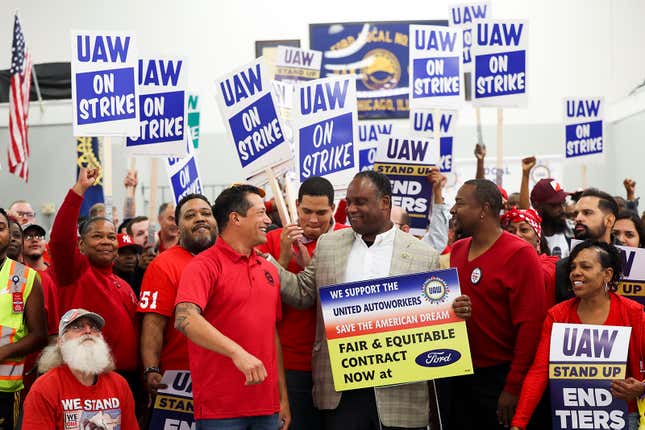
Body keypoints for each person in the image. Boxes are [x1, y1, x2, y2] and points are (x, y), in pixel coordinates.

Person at [271, 170, 472, 430]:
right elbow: (302, 293)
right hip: (341, 389)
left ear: (385, 203)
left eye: (360, 202)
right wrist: (264, 263)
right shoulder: (328, 245)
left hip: (401, 393)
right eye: (350, 202)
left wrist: (454, 310)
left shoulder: (423, 255)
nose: (351, 209)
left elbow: (436, 321)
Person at [174, 184, 290, 429]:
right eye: (260, 213)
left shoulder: (269, 269)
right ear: (235, 218)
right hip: (220, 409)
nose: (267, 220)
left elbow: (272, 335)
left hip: (267, 407)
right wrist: (238, 353)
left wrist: (282, 397)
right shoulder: (204, 266)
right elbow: (185, 319)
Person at [444, 179, 546, 429]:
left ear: (484, 209)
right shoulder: (456, 250)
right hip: (460, 373)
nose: (452, 210)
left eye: (460, 203)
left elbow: (531, 326)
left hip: (500, 377)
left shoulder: (520, 254)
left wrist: (513, 386)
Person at [511, 241, 645, 430]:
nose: (575, 272)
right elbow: (539, 372)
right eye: (573, 267)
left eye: (586, 266)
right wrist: (519, 424)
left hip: (624, 419)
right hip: (569, 419)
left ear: (607, 274)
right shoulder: (557, 315)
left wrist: (641, 388)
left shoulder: (634, 313)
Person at [257, 177, 346, 430]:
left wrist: (312, 269)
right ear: (296, 206)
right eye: (306, 211)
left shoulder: (347, 238)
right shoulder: (273, 239)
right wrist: (283, 259)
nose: (313, 219)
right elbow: (262, 301)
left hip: (337, 363)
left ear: (333, 208)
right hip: (292, 362)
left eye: (322, 212)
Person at [47, 168, 140, 393]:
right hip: (85, 378)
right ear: (81, 245)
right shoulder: (74, 271)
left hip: (127, 382)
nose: (106, 241)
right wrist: (79, 191)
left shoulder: (124, 285)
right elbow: (60, 240)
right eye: (97, 236)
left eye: (110, 237)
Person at [139, 194, 217, 396]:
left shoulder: (231, 258)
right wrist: (151, 368)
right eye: (190, 215)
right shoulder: (162, 265)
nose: (200, 218)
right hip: (180, 380)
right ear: (178, 227)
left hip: (226, 374)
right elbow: (154, 323)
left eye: (206, 213)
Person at [22, 308, 138, 429]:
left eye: (94, 327)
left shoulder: (119, 384)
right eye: (77, 327)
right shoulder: (44, 388)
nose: (88, 331)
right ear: (61, 342)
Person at [0, 208, 47, 429]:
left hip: (5, 389)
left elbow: (39, 336)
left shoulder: (27, 277)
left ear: (9, 235)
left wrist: (3, 352)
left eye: (1, 228)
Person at [554, 188, 619, 303]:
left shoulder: (637, 265)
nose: (578, 218)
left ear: (609, 220)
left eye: (587, 213)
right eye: (576, 214)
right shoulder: (562, 268)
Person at [501, 207, 559, 308]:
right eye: (511, 231)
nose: (517, 235)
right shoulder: (500, 265)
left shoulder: (550, 264)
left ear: (538, 239)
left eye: (524, 230)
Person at [529, 176, 573, 258]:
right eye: (554, 205)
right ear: (536, 205)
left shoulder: (572, 233)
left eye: (562, 203)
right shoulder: (528, 236)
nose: (561, 209)